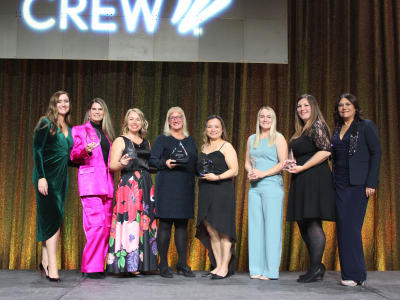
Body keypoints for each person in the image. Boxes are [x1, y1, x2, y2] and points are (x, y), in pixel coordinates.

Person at [331, 93, 381, 286]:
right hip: (340, 183)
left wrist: (371, 182)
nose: (344, 107)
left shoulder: (366, 125)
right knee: (343, 227)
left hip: (359, 184)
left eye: (348, 104)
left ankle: (356, 273)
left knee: (351, 227)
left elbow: (376, 152)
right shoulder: (337, 129)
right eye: (341, 105)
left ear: (355, 107)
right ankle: (349, 274)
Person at [285, 94, 335, 283]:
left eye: (306, 105)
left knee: (313, 222)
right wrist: (291, 163)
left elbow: (325, 150)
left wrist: (303, 166)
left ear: (313, 107)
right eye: (299, 106)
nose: (302, 109)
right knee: (303, 222)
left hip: (315, 178)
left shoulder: (317, 125)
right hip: (301, 178)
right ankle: (317, 266)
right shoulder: (301, 129)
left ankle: (315, 268)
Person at [106, 108, 158, 276]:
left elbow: (147, 163)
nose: (135, 122)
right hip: (129, 184)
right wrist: (121, 163)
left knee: (144, 222)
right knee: (130, 222)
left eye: (138, 119)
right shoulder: (120, 141)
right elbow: (112, 166)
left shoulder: (145, 141)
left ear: (142, 122)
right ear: (126, 122)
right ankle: (129, 264)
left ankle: (142, 263)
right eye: (131, 119)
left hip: (145, 183)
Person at [149, 107, 198, 278]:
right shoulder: (162, 139)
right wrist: (166, 162)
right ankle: (163, 265)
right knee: (165, 224)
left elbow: (195, 163)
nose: (176, 119)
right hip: (167, 186)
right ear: (168, 121)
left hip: (185, 187)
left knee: (182, 226)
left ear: (183, 119)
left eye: (179, 117)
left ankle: (182, 264)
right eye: (172, 117)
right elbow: (152, 160)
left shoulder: (190, 140)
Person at [71, 98, 115, 279]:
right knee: (95, 226)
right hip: (91, 185)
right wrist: (86, 151)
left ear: (104, 113)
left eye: (100, 109)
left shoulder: (107, 134)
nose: (97, 112)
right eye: (94, 109)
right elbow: (74, 155)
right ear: (89, 111)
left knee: (106, 227)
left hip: (107, 184)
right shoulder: (79, 130)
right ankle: (90, 267)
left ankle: (98, 265)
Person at [32, 91, 73, 282]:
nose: (63, 104)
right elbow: (37, 150)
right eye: (60, 101)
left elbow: (66, 155)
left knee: (52, 218)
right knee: (53, 218)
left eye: (66, 101)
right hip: (46, 176)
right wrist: (41, 177)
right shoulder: (45, 122)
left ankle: (44, 261)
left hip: (61, 178)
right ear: (54, 104)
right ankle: (53, 267)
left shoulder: (69, 127)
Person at [245, 107, 287, 280]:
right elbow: (247, 162)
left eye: (268, 117)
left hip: (272, 185)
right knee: (255, 227)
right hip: (254, 186)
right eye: (262, 116)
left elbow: (283, 163)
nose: (265, 119)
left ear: (273, 119)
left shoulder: (278, 137)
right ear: (258, 119)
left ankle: (271, 271)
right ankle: (256, 268)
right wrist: (251, 171)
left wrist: (263, 173)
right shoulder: (251, 139)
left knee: (271, 228)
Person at [196, 115, 238, 280]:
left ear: (222, 129)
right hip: (205, 191)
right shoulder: (203, 147)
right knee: (212, 231)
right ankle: (218, 265)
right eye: (210, 127)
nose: (213, 129)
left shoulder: (226, 146)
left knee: (223, 230)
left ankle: (224, 267)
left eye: (216, 126)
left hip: (222, 190)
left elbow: (234, 170)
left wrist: (218, 177)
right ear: (206, 129)